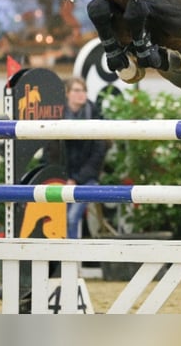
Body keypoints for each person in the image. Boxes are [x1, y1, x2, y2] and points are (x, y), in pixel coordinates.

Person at [61, 76, 107, 239]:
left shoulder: (94, 114)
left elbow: (98, 153)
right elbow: (53, 152)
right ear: (67, 93)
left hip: (87, 179)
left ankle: (72, 261)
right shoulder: (57, 115)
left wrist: (77, 179)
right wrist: (66, 178)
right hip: (63, 179)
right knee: (60, 219)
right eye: (77, 90)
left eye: (84, 90)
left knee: (71, 218)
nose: (82, 94)